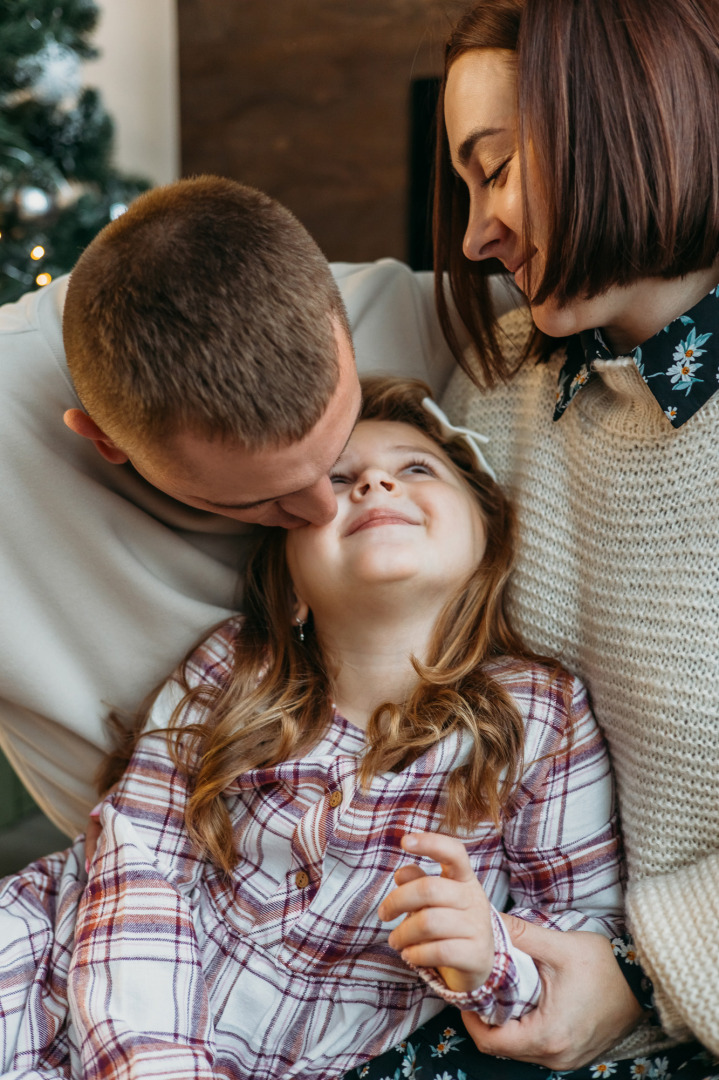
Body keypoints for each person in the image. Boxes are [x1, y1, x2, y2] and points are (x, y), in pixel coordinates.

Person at [0, 376, 623, 1080]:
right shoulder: (230, 671)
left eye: (415, 468)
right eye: (339, 482)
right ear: (291, 582)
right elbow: (137, 860)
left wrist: (491, 960)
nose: (376, 486)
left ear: (486, 535)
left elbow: (584, 930)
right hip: (79, 975)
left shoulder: (540, 713)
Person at [350, 0, 719, 1076]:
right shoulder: (505, 382)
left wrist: (642, 972)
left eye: (497, 168)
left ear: (634, 124)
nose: (473, 238)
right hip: (503, 953)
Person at [3, 174, 518, 841]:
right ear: (104, 440)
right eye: (260, 498)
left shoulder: (411, 310)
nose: (321, 509)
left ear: (342, 326)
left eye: (336, 450)